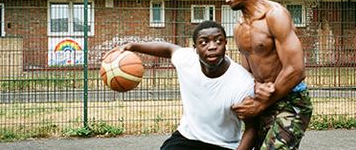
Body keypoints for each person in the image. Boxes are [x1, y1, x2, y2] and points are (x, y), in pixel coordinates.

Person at [105, 20, 257, 150]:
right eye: (204, 42)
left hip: (222, 145)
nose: (212, 46)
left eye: (218, 40)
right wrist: (132, 46)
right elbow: (168, 49)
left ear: (225, 44)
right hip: (187, 137)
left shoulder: (242, 83)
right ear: (195, 48)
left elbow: (251, 130)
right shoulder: (187, 60)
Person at [217, 0, 313, 150]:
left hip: (290, 101)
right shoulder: (239, 27)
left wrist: (261, 104)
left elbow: (296, 69)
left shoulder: (275, 15)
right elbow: (247, 72)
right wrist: (253, 91)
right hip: (263, 99)